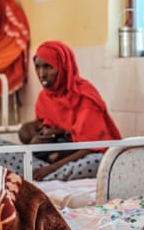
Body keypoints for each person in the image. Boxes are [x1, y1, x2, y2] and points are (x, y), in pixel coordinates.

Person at [27, 40, 122, 181]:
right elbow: (46, 127)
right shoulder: (44, 97)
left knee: (98, 162)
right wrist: (37, 140)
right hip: (58, 149)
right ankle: (41, 170)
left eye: (48, 67)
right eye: (38, 67)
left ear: (64, 67)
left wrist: (51, 168)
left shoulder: (84, 95)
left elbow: (91, 145)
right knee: (13, 138)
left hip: (87, 153)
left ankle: (49, 175)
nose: (42, 74)